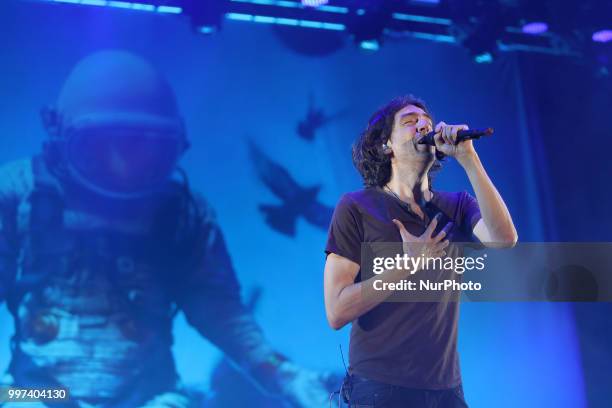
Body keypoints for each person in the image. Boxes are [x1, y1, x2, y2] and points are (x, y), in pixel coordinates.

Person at [0, 50, 330, 408]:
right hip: (36, 392)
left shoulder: (181, 210)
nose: (122, 166)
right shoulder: (18, 193)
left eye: (143, 149)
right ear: (60, 135)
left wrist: (284, 375)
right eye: (103, 147)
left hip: (150, 397)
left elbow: (218, 308)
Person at [323, 95, 517, 407]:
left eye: (426, 121)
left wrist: (469, 158)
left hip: (446, 391)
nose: (423, 125)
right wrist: (408, 264)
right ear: (386, 145)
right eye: (410, 122)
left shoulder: (457, 205)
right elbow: (336, 310)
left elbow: (504, 238)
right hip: (381, 389)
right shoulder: (356, 207)